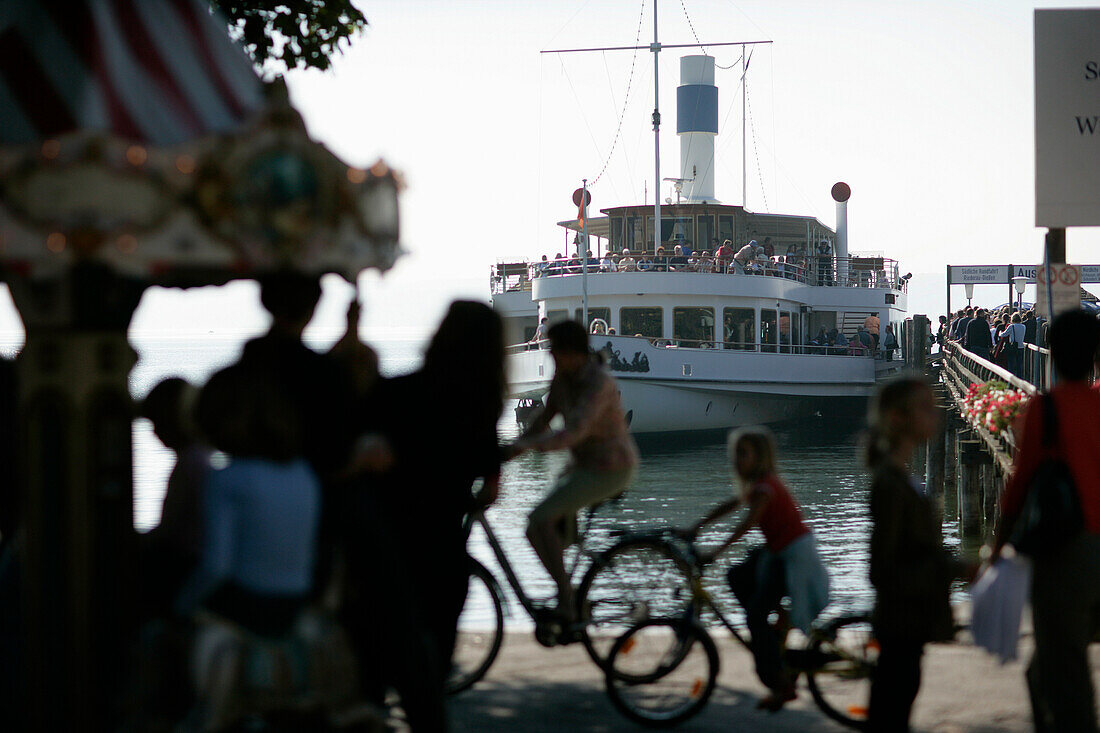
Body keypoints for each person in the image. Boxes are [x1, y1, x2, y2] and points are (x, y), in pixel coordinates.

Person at [994, 310, 1100, 732]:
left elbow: (1019, 489)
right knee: (1051, 668)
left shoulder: (1045, 408)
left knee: (1065, 672)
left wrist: (998, 549)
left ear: (1052, 353)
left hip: (1069, 552)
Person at [684, 428, 829, 712]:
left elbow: (748, 522)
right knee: (736, 576)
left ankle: (780, 681)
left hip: (793, 557)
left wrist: (716, 551)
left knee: (754, 617)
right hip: (778, 552)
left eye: (744, 454)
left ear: (760, 457)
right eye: (735, 454)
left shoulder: (766, 488)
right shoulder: (759, 484)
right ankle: (771, 634)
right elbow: (730, 505)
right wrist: (697, 527)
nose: (737, 460)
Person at [179, 364, 321, 638]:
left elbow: (216, 567)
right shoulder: (305, 473)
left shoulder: (228, 478)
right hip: (294, 607)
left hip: (245, 608)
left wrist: (181, 607)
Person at [511, 320, 639, 619]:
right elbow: (545, 417)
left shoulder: (598, 382)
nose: (551, 356)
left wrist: (530, 446)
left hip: (610, 468)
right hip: (581, 467)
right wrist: (513, 447)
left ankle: (568, 600)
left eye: (555, 350)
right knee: (541, 530)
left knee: (540, 520)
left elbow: (576, 431)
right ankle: (567, 589)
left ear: (573, 351)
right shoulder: (563, 377)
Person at [865, 376, 969, 732]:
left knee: (895, 703)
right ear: (897, 418)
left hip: (909, 621)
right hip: (901, 621)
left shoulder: (901, 477)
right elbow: (883, 568)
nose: (935, 414)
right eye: (924, 408)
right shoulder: (891, 485)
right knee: (891, 708)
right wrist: (954, 568)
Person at [139, 378, 212, 617]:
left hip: (184, 565)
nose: (155, 432)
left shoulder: (189, 464)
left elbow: (168, 530)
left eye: (158, 422)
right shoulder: (197, 458)